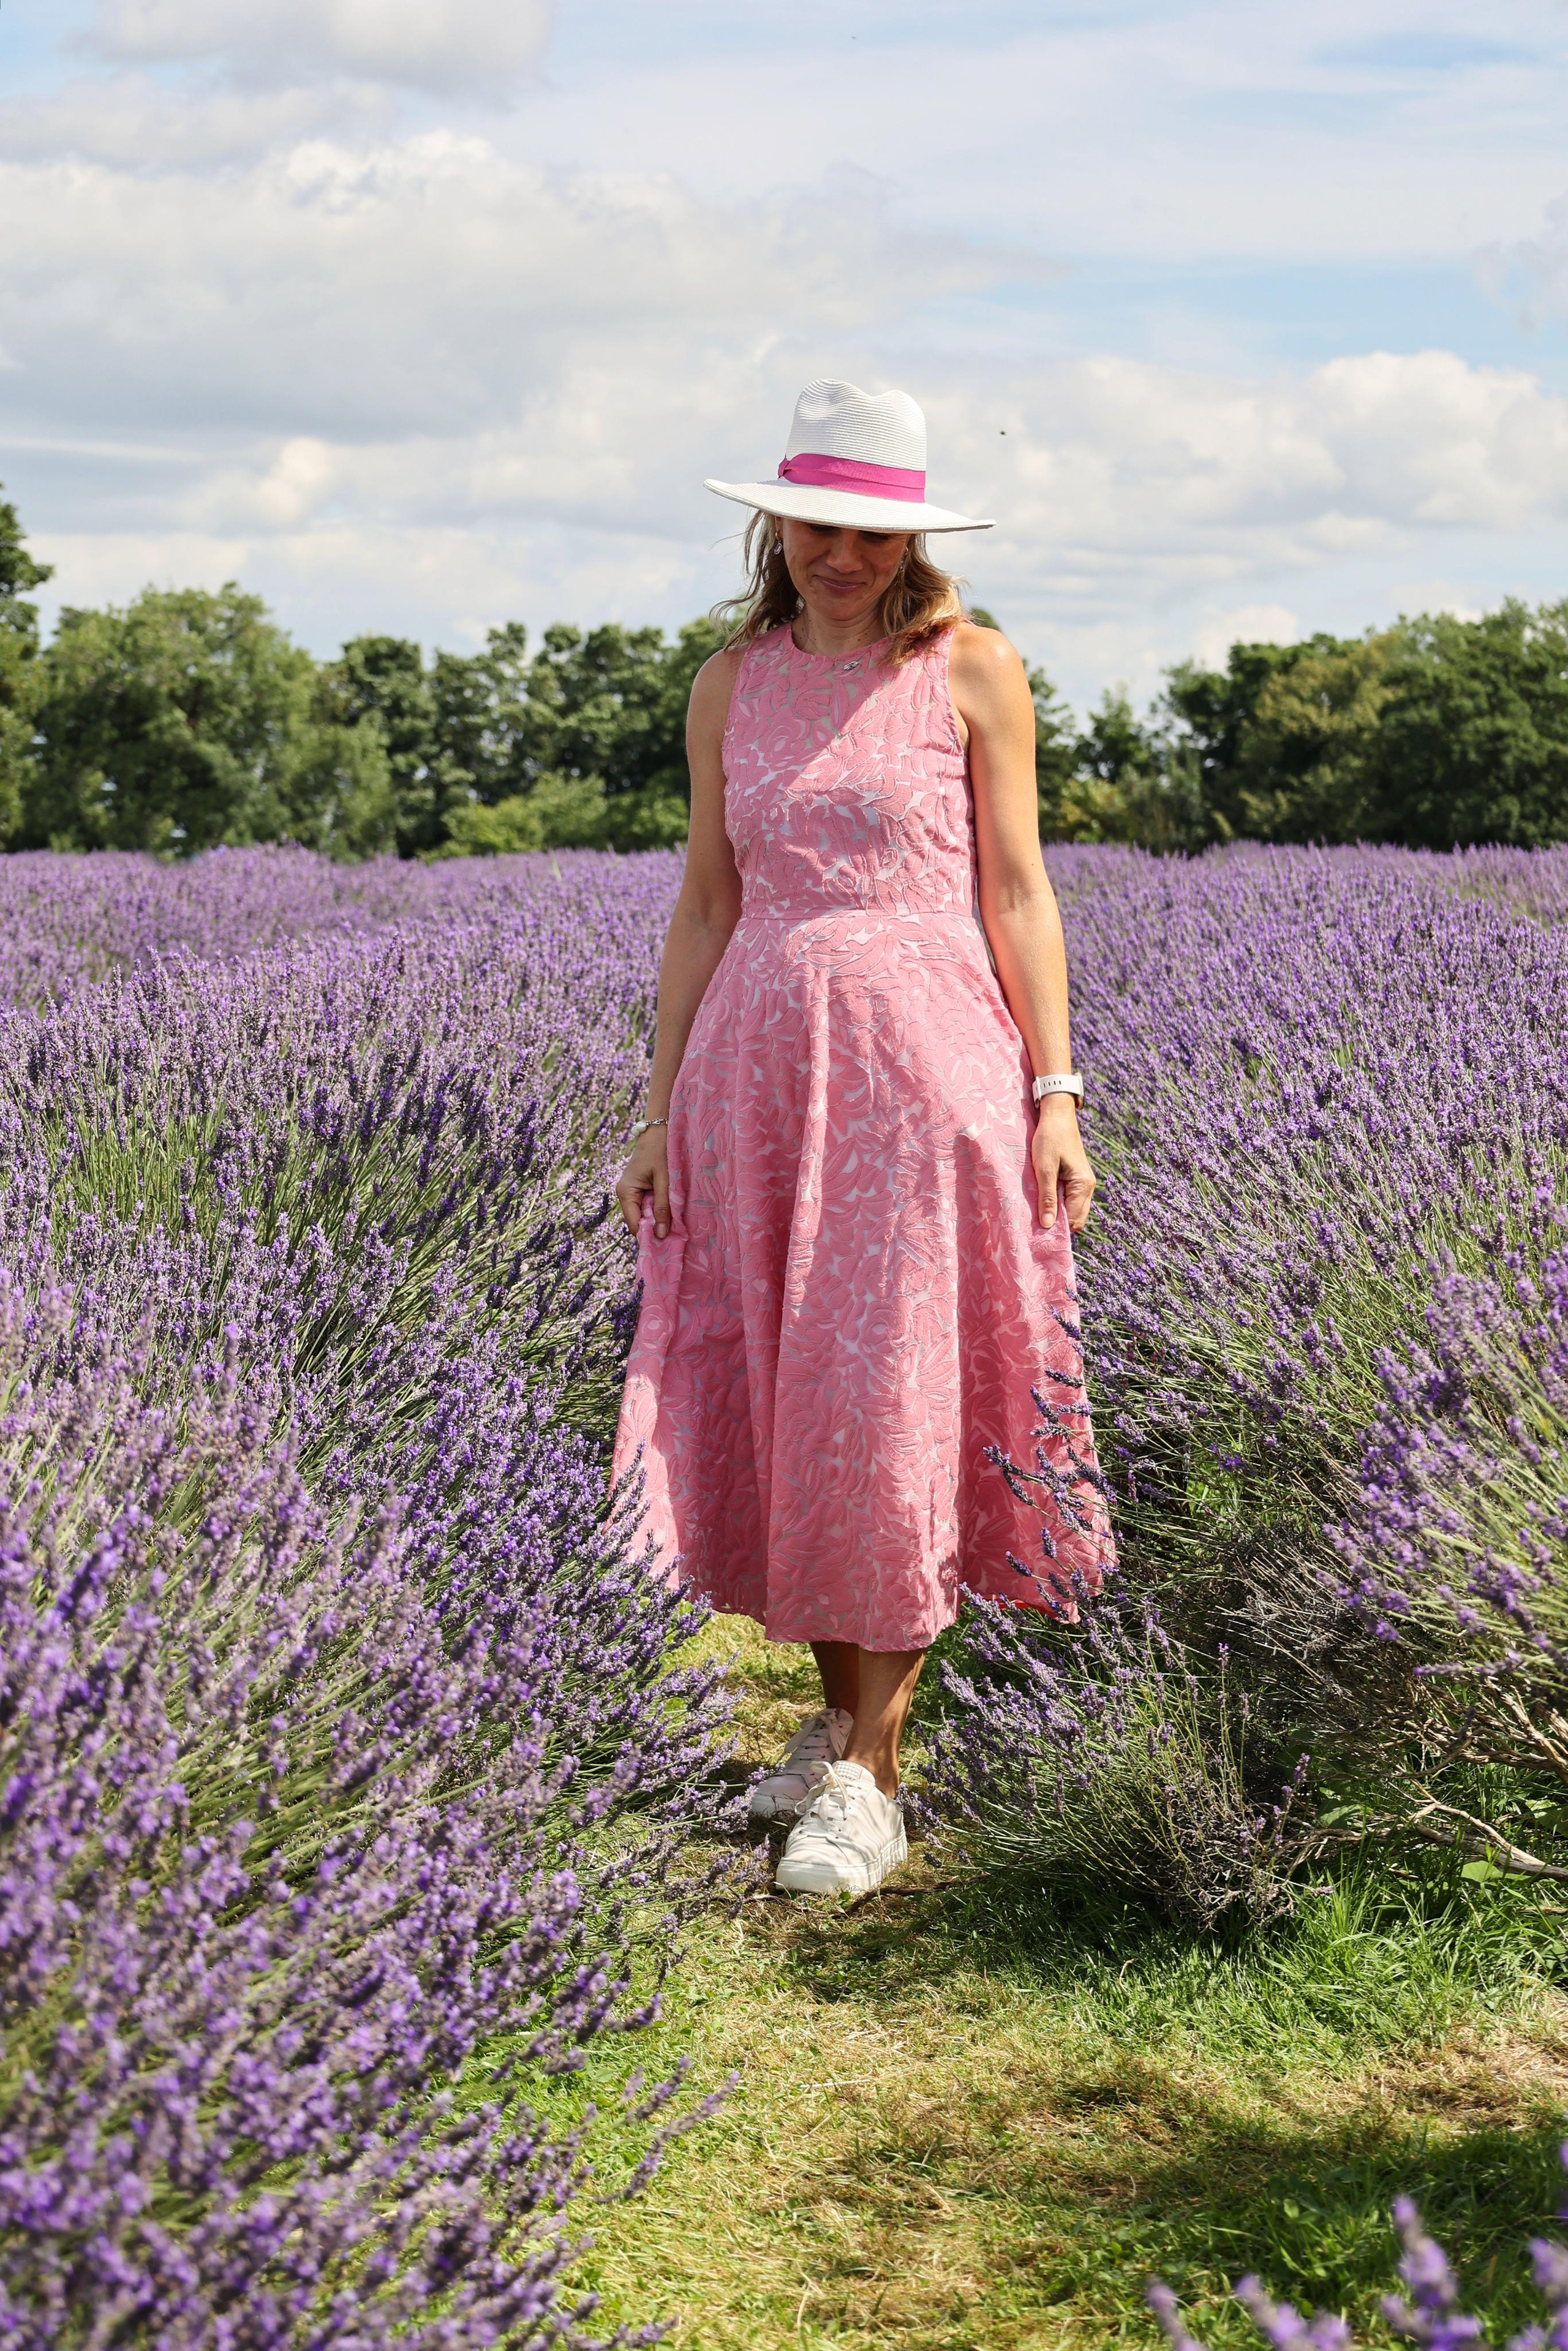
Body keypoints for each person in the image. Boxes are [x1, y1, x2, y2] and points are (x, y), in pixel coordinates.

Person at [613, 378, 1111, 1896]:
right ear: (778, 523)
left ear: (909, 539)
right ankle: (837, 1724)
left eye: (868, 530)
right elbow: (707, 899)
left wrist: (1054, 1088)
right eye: (817, 524)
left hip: (925, 1071)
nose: (839, 552)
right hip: (756, 1071)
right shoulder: (728, 684)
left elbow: (1017, 892)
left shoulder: (971, 669)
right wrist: (655, 1109)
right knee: (800, 1394)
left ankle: (872, 1777)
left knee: (889, 1387)